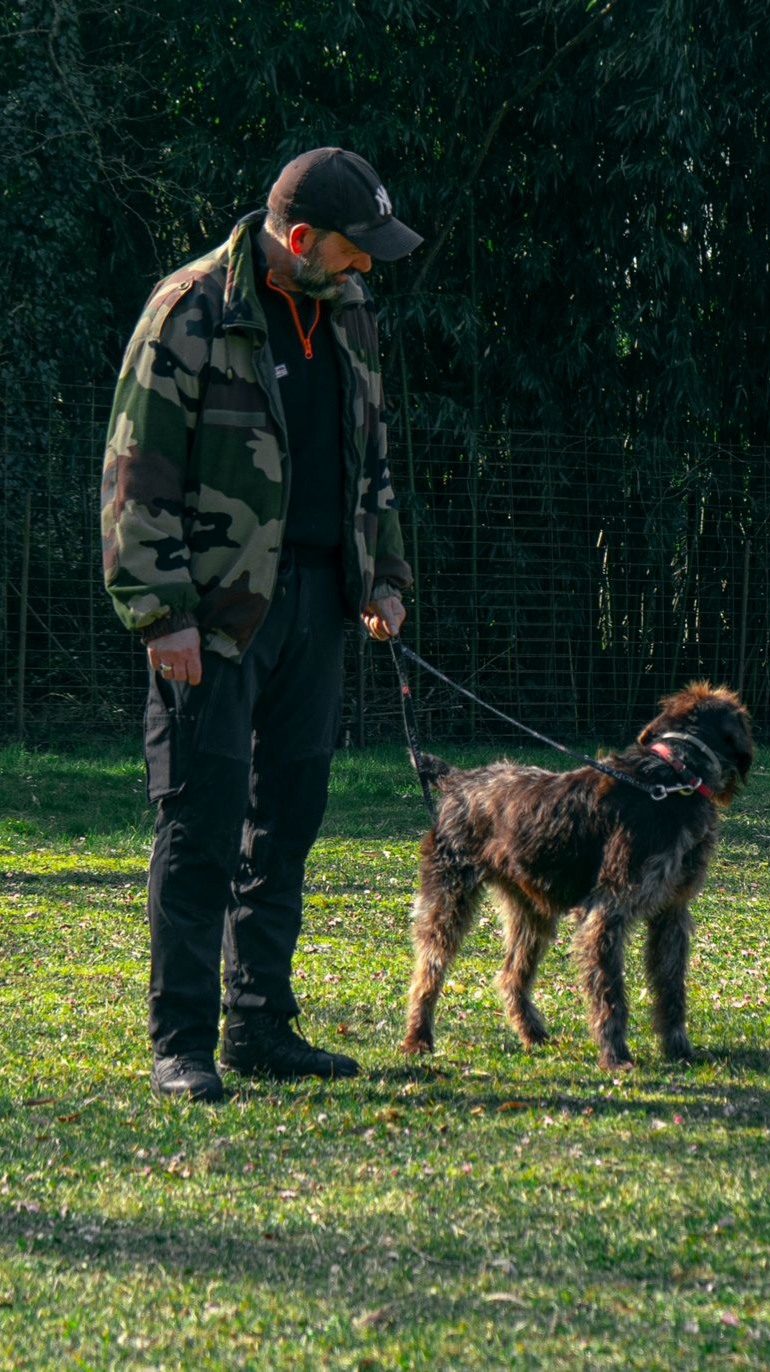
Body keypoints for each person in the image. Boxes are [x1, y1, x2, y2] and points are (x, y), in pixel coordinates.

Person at [101, 147, 422, 1101]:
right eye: (354, 249)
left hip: (320, 607)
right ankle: (183, 1043)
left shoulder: (350, 313)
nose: (366, 266)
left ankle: (260, 1025)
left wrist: (386, 573)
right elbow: (136, 469)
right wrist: (160, 614)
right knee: (200, 824)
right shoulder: (191, 308)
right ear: (298, 240)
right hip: (211, 615)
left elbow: (375, 458)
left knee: (288, 821)